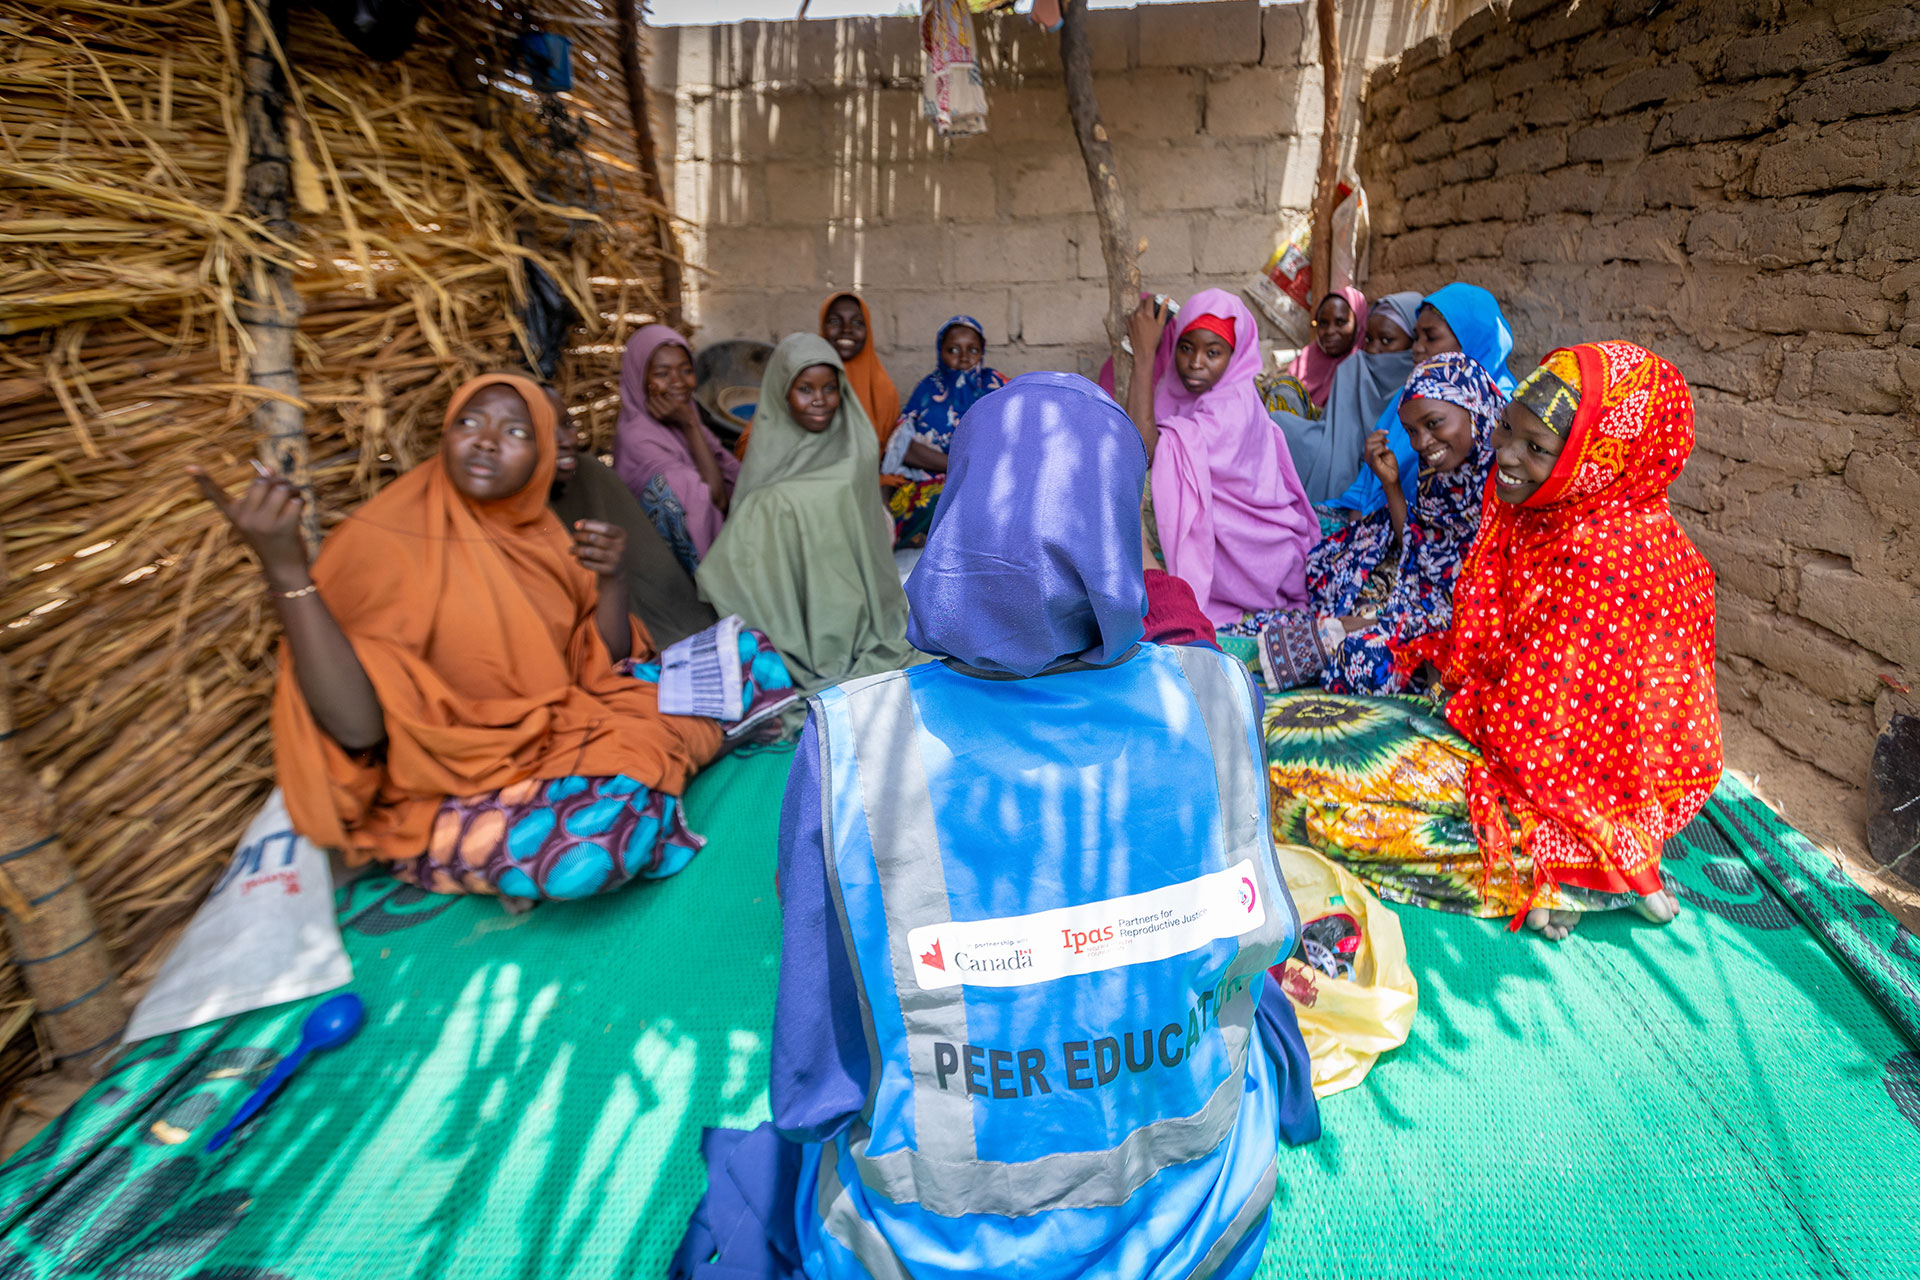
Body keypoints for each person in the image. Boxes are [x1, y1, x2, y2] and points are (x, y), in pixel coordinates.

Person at [671, 372, 1320, 1280]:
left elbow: (819, 1064)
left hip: (930, 1241)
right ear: (1117, 526)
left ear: (959, 515)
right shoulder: (1217, 695)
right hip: (1192, 1216)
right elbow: (1257, 940)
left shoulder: (855, 739)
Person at [189, 373, 793, 900]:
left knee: (750, 655)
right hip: (447, 778)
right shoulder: (379, 541)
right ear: (447, 434)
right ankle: (450, 846)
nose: (485, 440)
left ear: (540, 459)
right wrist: (287, 571)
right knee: (594, 854)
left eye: (516, 432)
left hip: (557, 730)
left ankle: (636, 773)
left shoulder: (541, 537)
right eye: (470, 422)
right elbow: (358, 730)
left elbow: (602, 668)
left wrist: (611, 583)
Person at [1262, 342, 1721, 940]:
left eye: (1536, 448)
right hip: (1533, 749)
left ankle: (1567, 864)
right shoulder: (1540, 514)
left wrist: (1447, 693)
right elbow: (1488, 657)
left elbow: (1533, 733)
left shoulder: (1604, 558)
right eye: (1505, 429)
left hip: (1554, 783)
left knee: (1301, 788)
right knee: (1296, 743)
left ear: (1597, 458)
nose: (1501, 454)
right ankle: (1589, 864)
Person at [1254, 352, 1504, 695]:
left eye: (1434, 423)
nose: (1423, 443)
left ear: (1474, 407)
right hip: (1436, 609)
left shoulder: (1507, 480)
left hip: (1479, 627)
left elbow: (1493, 594)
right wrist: (1390, 484)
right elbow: (1421, 551)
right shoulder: (1441, 477)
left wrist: (1399, 625)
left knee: (1363, 659)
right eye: (1412, 432)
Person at [695, 334, 918, 693]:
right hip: (783, 591)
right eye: (805, 389)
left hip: (844, 606)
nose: (820, 400)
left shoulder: (853, 448)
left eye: (830, 388)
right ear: (782, 391)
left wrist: (776, 504)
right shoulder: (765, 445)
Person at [1124, 289, 1318, 633]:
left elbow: (1142, 447)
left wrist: (1143, 356)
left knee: (1135, 500)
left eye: (1213, 352)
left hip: (1258, 558)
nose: (1196, 363)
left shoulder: (1233, 403)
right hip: (1235, 546)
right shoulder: (1180, 392)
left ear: (1237, 353)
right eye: (1186, 348)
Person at [1326, 282, 1516, 518]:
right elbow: (1368, 483)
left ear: (1471, 340)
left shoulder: (1502, 412)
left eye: (1431, 338)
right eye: (1416, 337)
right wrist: (1358, 517)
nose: (1417, 348)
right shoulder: (1412, 395)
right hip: (1394, 525)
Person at [547, 389, 719, 649]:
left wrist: (692, 425)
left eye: (568, 424)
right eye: (545, 426)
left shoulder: (589, 475)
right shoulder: (635, 439)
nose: (568, 440)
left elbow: (656, 582)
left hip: (636, 636)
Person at [1268, 290, 1423, 507]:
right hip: (1335, 457)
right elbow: (1336, 436)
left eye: (1387, 340)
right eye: (1369, 340)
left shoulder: (1421, 390)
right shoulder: (1354, 368)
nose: (1375, 350)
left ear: (1413, 344)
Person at [612, 325, 739, 571]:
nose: (678, 382)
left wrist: (691, 425)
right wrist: (690, 424)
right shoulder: (637, 439)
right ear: (639, 378)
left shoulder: (683, 421)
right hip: (667, 572)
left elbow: (736, 477)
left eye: (686, 370)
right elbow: (717, 499)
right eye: (662, 373)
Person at [879, 314, 1008, 547]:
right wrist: (962, 465)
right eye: (953, 350)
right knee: (943, 501)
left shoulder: (996, 387)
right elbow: (905, 450)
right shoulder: (929, 389)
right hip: (933, 485)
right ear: (941, 352)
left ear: (982, 352)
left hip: (986, 482)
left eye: (972, 350)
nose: (964, 358)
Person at [1262, 286, 1367, 417]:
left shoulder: (1364, 374)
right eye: (1323, 323)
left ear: (1359, 324)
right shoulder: (1307, 359)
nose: (1330, 331)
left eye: (1340, 322)